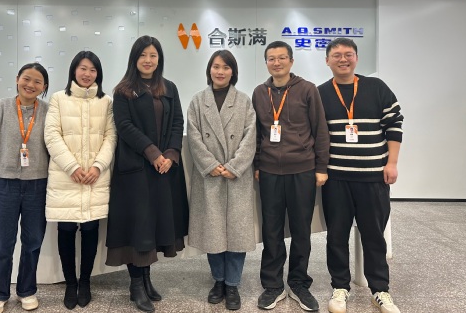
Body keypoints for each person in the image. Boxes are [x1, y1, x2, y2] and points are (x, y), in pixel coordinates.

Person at [317, 38, 403, 313]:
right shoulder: (320, 93)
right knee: (336, 236)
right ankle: (340, 288)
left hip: (372, 177)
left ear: (356, 58)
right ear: (327, 60)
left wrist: (392, 163)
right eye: (337, 55)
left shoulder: (376, 87)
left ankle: (380, 290)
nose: (343, 59)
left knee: (374, 236)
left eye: (348, 54)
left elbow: (394, 125)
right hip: (336, 178)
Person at [105, 35, 189, 313]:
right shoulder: (123, 90)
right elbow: (124, 126)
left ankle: (147, 279)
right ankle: (136, 285)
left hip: (164, 170)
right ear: (134, 58)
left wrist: (171, 154)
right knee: (137, 227)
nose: (148, 60)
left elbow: (177, 122)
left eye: (153, 55)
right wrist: (153, 153)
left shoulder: (169, 87)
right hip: (135, 169)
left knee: (154, 227)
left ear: (159, 59)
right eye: (143, 55)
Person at [252, 41, 329, 312]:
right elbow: (257, 133)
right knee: (271, 230)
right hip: (270, 171)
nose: (277, 63)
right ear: (266, 63)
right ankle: (272, 285)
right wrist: (257, 164)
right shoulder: (259, 92)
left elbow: (320, 130)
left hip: (302, 170)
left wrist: (321, 167)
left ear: (291, 61)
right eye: (271, 59)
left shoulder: (307, 89)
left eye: (282, 58)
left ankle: (298, 283)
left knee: (300, 230)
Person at [0, 63, 49, 313]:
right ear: (17, 79)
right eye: (26, 78)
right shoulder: (1, 107)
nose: (30, 85)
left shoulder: (48, 111)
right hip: (5, 184)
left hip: (38, 184)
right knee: (3, 243)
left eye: (37, 81)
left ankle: (27, 290)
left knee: (33, 241)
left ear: (44, 87)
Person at [44, 51, 117, 309]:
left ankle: (85, 282)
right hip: (66, 177)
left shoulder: (106, 102)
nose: (87, 74)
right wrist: (72, 166)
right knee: (65, 230)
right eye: (83, 68)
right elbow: (52, 135)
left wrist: (98, 166)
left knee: (90, 230)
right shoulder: (58, 99)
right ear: (74, 70)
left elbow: (111, 137)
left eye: (92, 70)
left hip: (95, 178)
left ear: (98, 74)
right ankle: (70, 283)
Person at [187, 50, 256, 311]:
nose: (220, 71)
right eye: (216, 66)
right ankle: (218, 280)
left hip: (236, 176)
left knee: (237, 233)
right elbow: (193, 136)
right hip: (210, 176)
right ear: (209, 70)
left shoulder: (244, 101)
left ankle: (233, 284)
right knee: (213, 231)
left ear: (233, 72)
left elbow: (251, 136)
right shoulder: (198, 101)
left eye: (226, 67)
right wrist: (211, 165)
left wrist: (234, 166)